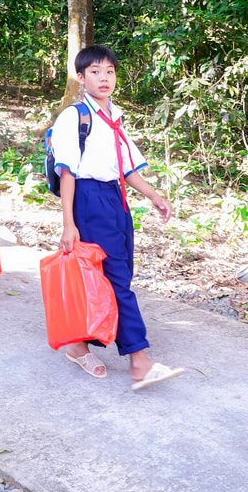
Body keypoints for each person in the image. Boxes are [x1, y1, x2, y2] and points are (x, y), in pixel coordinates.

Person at [50, 44, 184, 390]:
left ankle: (79, 346)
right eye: (95, 71)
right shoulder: (74, 117)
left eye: (109, 71)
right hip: (89, 198)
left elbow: (127, 168)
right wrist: (69, 223)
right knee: (116, 279)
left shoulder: (114, 116)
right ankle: (139, 360)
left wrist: (154, 195)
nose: (103, 77)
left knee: (110, 275)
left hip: (115, 199)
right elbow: (67, 173)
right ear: (81, 78)